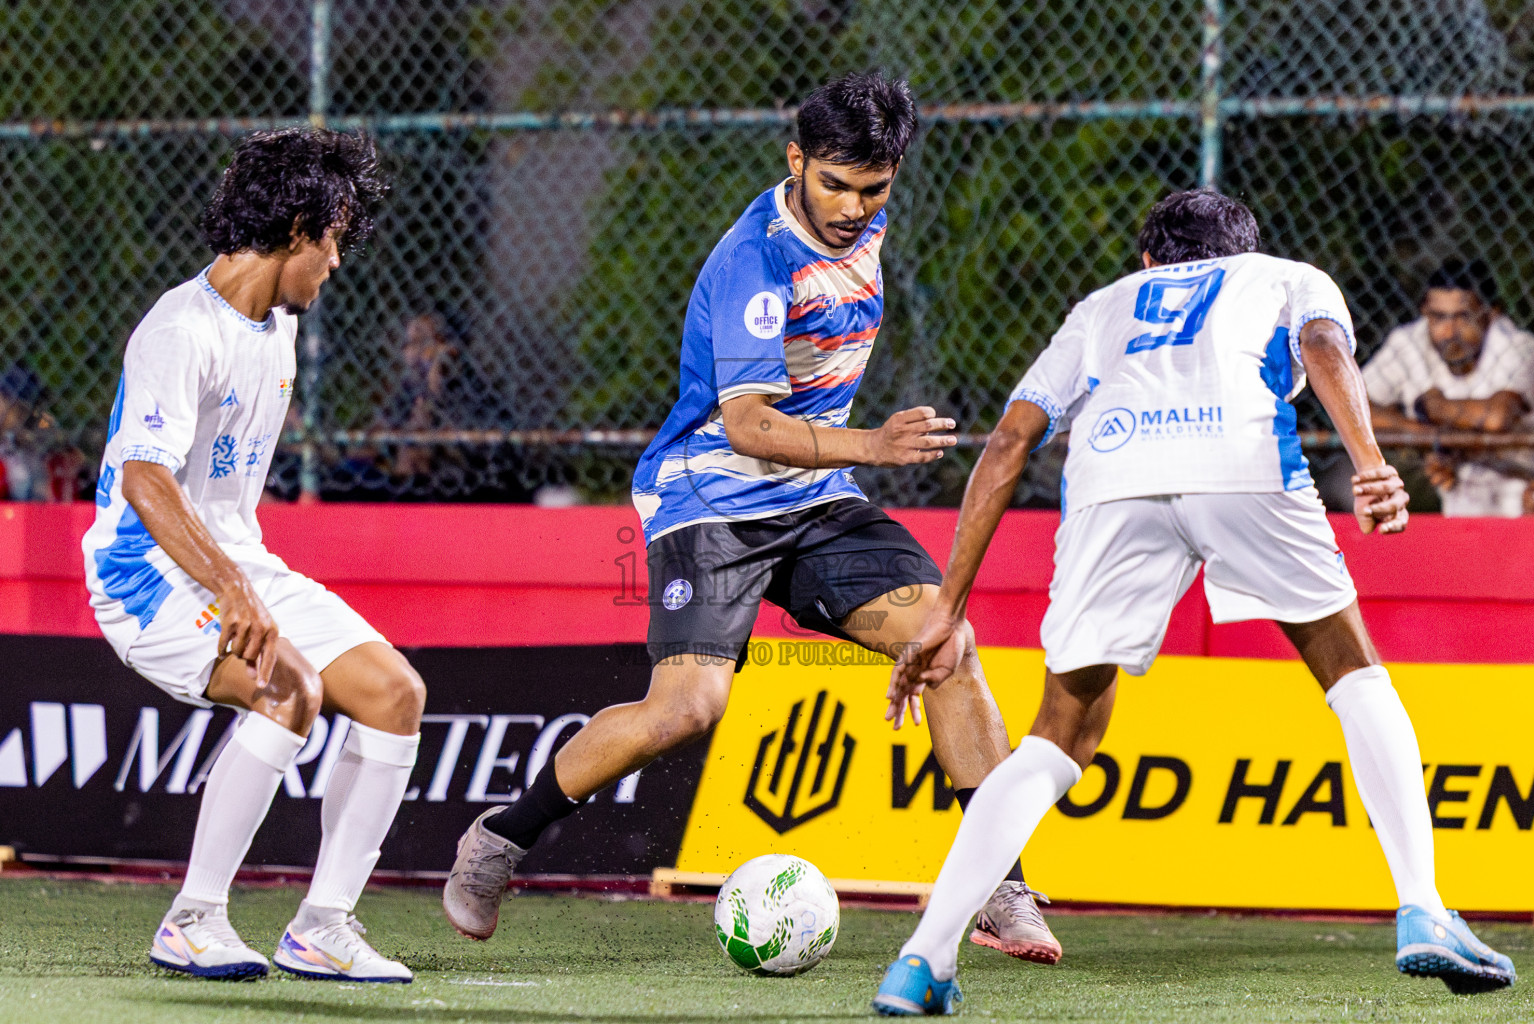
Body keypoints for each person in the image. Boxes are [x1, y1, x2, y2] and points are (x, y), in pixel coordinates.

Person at [443, 71, 1059, 964]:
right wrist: (874, 446)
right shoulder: (755, 263)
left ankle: (1001, 890)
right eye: (834, 185)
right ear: (795, 159)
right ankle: (500, 838)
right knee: (687, 708)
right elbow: (749, 426)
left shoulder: (864, 219)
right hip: (712, 496)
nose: (852, 208)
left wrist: (849, 457)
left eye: (874, 189)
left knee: (947, 644)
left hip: (813, 499)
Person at [870, 190, 1515, 1015]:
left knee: (1056, 736)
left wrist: (948, 608)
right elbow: (1323, 346)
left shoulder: (1103, 305)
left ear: (1148, 262)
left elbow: (1007, 442)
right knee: (1355, 674)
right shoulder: (1285, 275)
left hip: (1113, 480)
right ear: (1245, 249)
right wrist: (1370, 463)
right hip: (1242, 460)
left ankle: (922, 959)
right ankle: (1423, 907)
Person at [81, 128, 426, 983]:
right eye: (332, 239)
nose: (337, 262)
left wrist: (240, 576)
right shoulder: (178, 329)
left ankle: (322, 926)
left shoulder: (278, 330)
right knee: (288, 688)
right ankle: (191, 919)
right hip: (144, 575)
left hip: (234, 561)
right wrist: (232, 587)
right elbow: (146, 481)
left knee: (395, 694)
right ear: (298, 226)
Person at [1363, 259, 1534, 516]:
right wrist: (1428, 437)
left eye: (1463, 317)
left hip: (1516, 478)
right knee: (1362, 483)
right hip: (1443, 475)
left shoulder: (1517, 345)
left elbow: (1495, 418)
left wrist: (1433, 407)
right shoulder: (1408, 341)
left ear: (1491, 313)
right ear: (1425, 311)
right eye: (1438, 317)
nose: (1449, 331)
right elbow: (1353, 406)